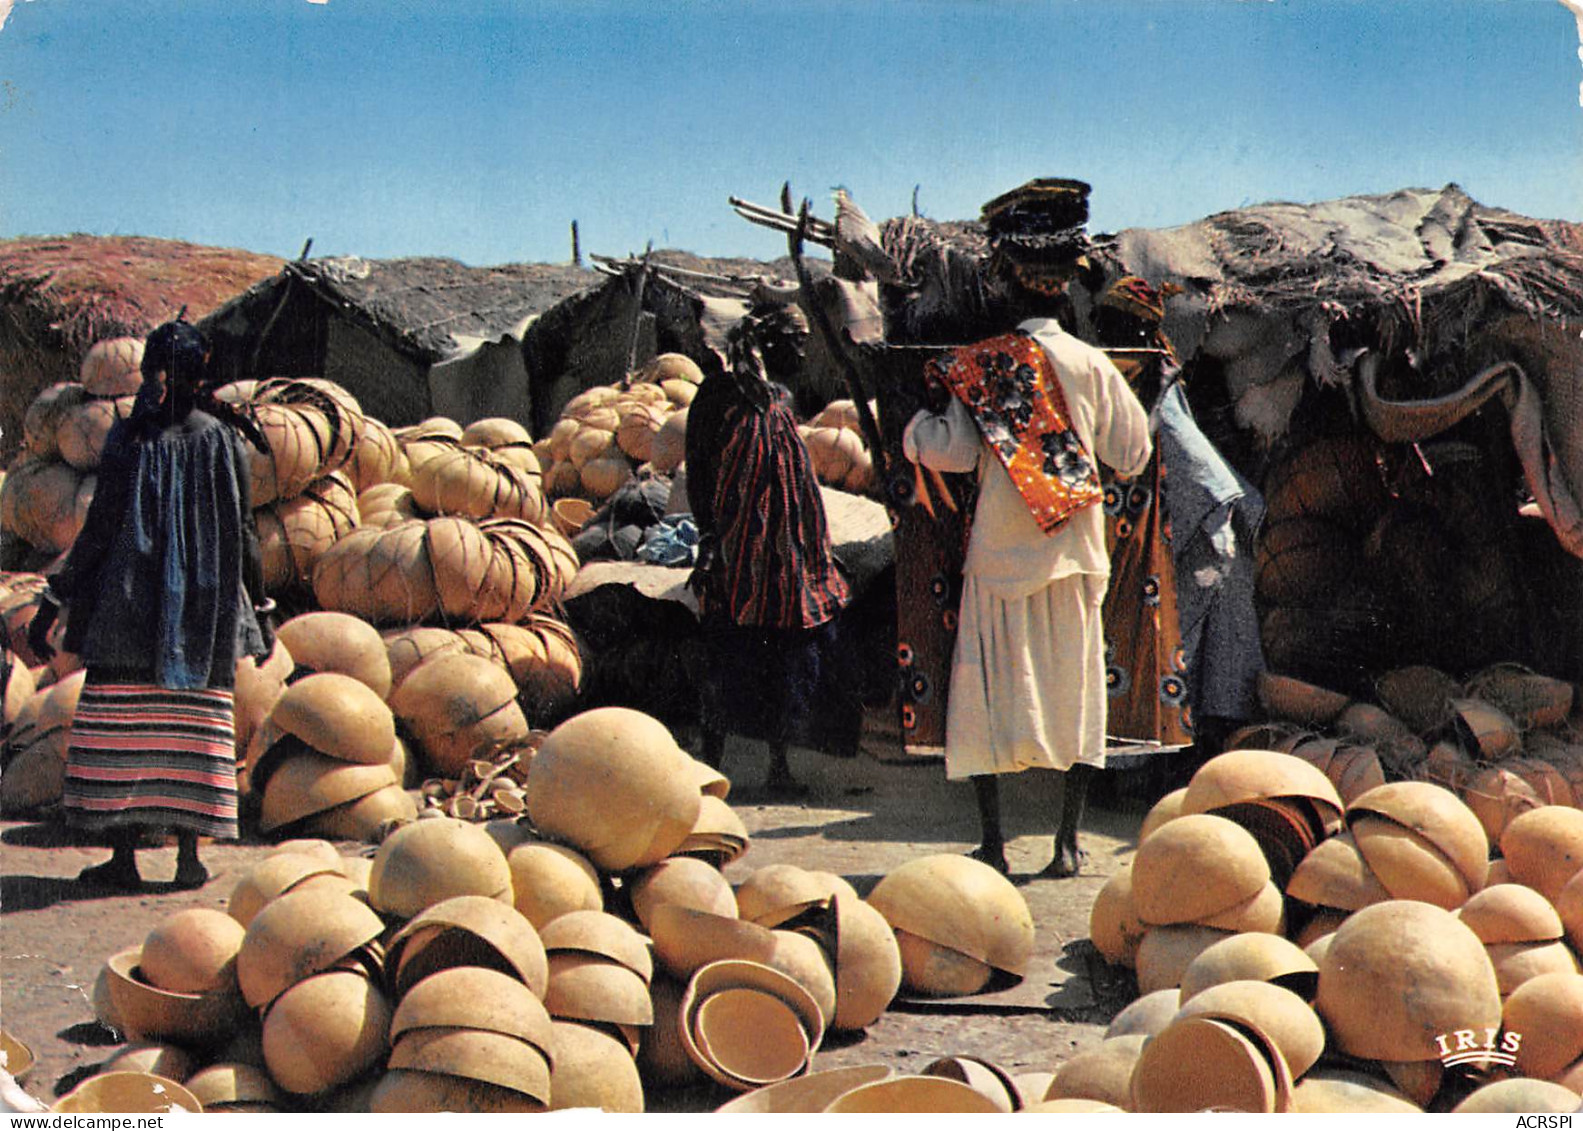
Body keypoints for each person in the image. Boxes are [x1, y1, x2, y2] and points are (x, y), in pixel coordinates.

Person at [902, 179, 1152, 877]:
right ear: (1063, 287)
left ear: (1008, 284)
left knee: (986, 697)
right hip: (1075, 551)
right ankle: (1067, 845)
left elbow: (948, 452)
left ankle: (993, 843)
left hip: (999, 556)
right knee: (1075, 695)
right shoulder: (1092, 364)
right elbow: (1131, 455)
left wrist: (916, 428)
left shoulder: (981, 365)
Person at [27, 317, 273, 890]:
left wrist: (55, 599)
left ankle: (126, 858)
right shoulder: (217, 438)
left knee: (125, 720)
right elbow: (243, 533)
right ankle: (183, 856)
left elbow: (100, 530)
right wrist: (260, 610)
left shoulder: (133, 436)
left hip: (130, 601)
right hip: (198, 607)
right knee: (186, 721)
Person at [684, 303, 852, 797]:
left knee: (781, 662)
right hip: (738, 551)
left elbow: (791, 476)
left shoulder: (780, 396)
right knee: (726, 656)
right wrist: (709, 539)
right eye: (794, 341)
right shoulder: (717, 393)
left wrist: (817, 547)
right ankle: (708, 769)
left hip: (786, 555)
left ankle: (778, 767)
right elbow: (699, 470)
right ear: (768, 341)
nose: (802, 350)